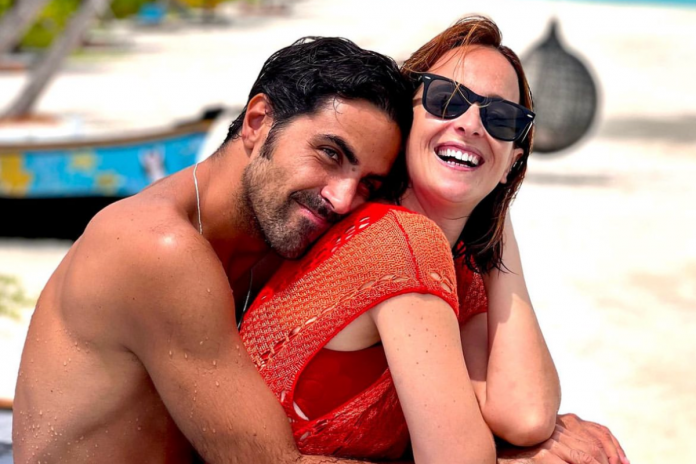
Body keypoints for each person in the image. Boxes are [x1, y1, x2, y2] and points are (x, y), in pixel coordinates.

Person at [238, 16, 629, 464]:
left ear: (512, 162)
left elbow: (524, 414)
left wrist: (498, 215)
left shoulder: (453, 262)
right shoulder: (400, 243)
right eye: (446, 99)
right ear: (407, 123)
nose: (472, 124)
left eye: (501, 118)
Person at [12, 37, 413, 464]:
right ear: (258, 122)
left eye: (367, 183)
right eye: (330, 154)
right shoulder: (156, 246)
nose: (343, 199)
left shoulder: (278, 240)